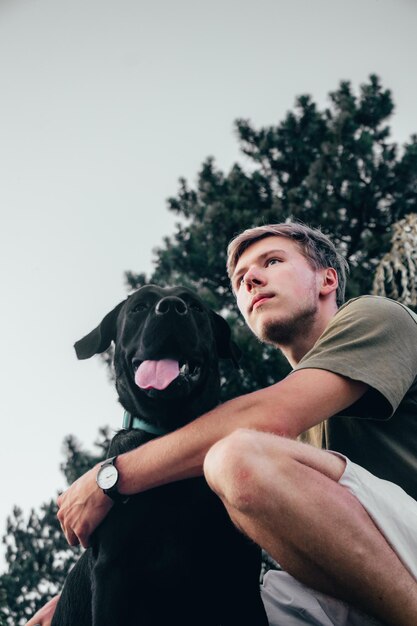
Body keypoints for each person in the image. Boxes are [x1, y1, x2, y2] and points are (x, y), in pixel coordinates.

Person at [27, 222, 417, 626]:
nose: (252, 278)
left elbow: (265, 420)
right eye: (241, 278)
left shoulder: (376, 317)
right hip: (353, 586)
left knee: (236, 458)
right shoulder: (297, 428)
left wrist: (110, 477)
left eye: (272, 261)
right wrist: (80, 590)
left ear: (327, 279)